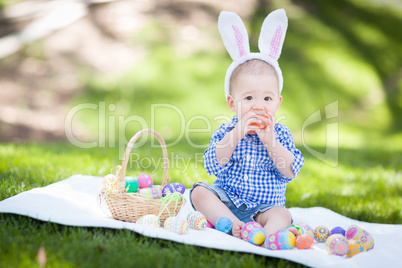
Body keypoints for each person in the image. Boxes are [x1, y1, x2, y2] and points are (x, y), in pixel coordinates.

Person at [190, 9, 304, 240]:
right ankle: (232, 223)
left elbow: (291, 170)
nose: (258, 106)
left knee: (282, 214)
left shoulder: (279, 133)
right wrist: (236, 134)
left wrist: (270, 142)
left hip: (265, 207)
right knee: (199, 192)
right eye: (249, 98)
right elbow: (213, 164)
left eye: (267, 99)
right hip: (227, 200)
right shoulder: (228, 131)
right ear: (233, 103)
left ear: (278, 103)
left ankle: (265, 234)